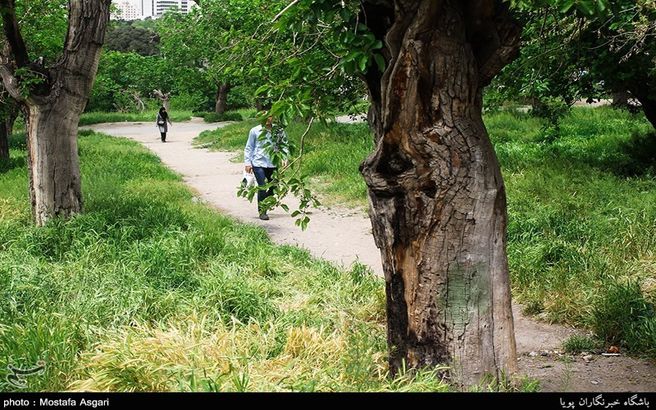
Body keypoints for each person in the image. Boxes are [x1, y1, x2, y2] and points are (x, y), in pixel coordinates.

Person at [244, 114, 289, 220]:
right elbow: (249, 147)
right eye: (264, 117)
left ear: (273, 117)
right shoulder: (255, 131)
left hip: (273, 163)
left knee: (274, 186)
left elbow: (284, 144)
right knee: (262, 185)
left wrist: (284, 157)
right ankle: (262, 211)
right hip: (258, 163)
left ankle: (266, 201)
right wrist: (247, 163)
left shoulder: (279, 131)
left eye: (269, 116)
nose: (267, 119)